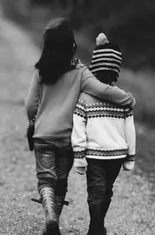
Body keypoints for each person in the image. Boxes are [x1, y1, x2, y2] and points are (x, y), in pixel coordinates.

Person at [25, 20, 135, 235]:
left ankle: (51, 218)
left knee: (46, 178)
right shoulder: (80, 72)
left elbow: (31, 105)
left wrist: (33, 122)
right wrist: (128, 99)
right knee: (61, 180)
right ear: (72, 45)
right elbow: (103, 90)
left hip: (43, 136)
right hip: (66, 138)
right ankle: (54, 218)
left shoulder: (40, 72)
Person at [71, 33, 136, 235]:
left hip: (102, 155)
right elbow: (129, 130)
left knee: (99, 191)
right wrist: (130, 157)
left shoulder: (86, 98)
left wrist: (79, 154)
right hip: (108, 155)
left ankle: (96, 226)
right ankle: (97, 227)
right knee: (104, 190)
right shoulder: (123, 99)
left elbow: (78, 126)